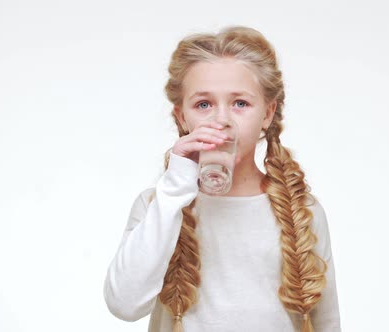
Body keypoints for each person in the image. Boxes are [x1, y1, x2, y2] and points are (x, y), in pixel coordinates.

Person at [103, 25, 342, 332]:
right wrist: (175, 187)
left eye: (240, 103)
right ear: (182, 117)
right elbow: (124, 304)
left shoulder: (301, 210)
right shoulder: (158, 205)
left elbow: (327, 321)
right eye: (204, 104)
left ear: (267, 114)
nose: (221, 120)